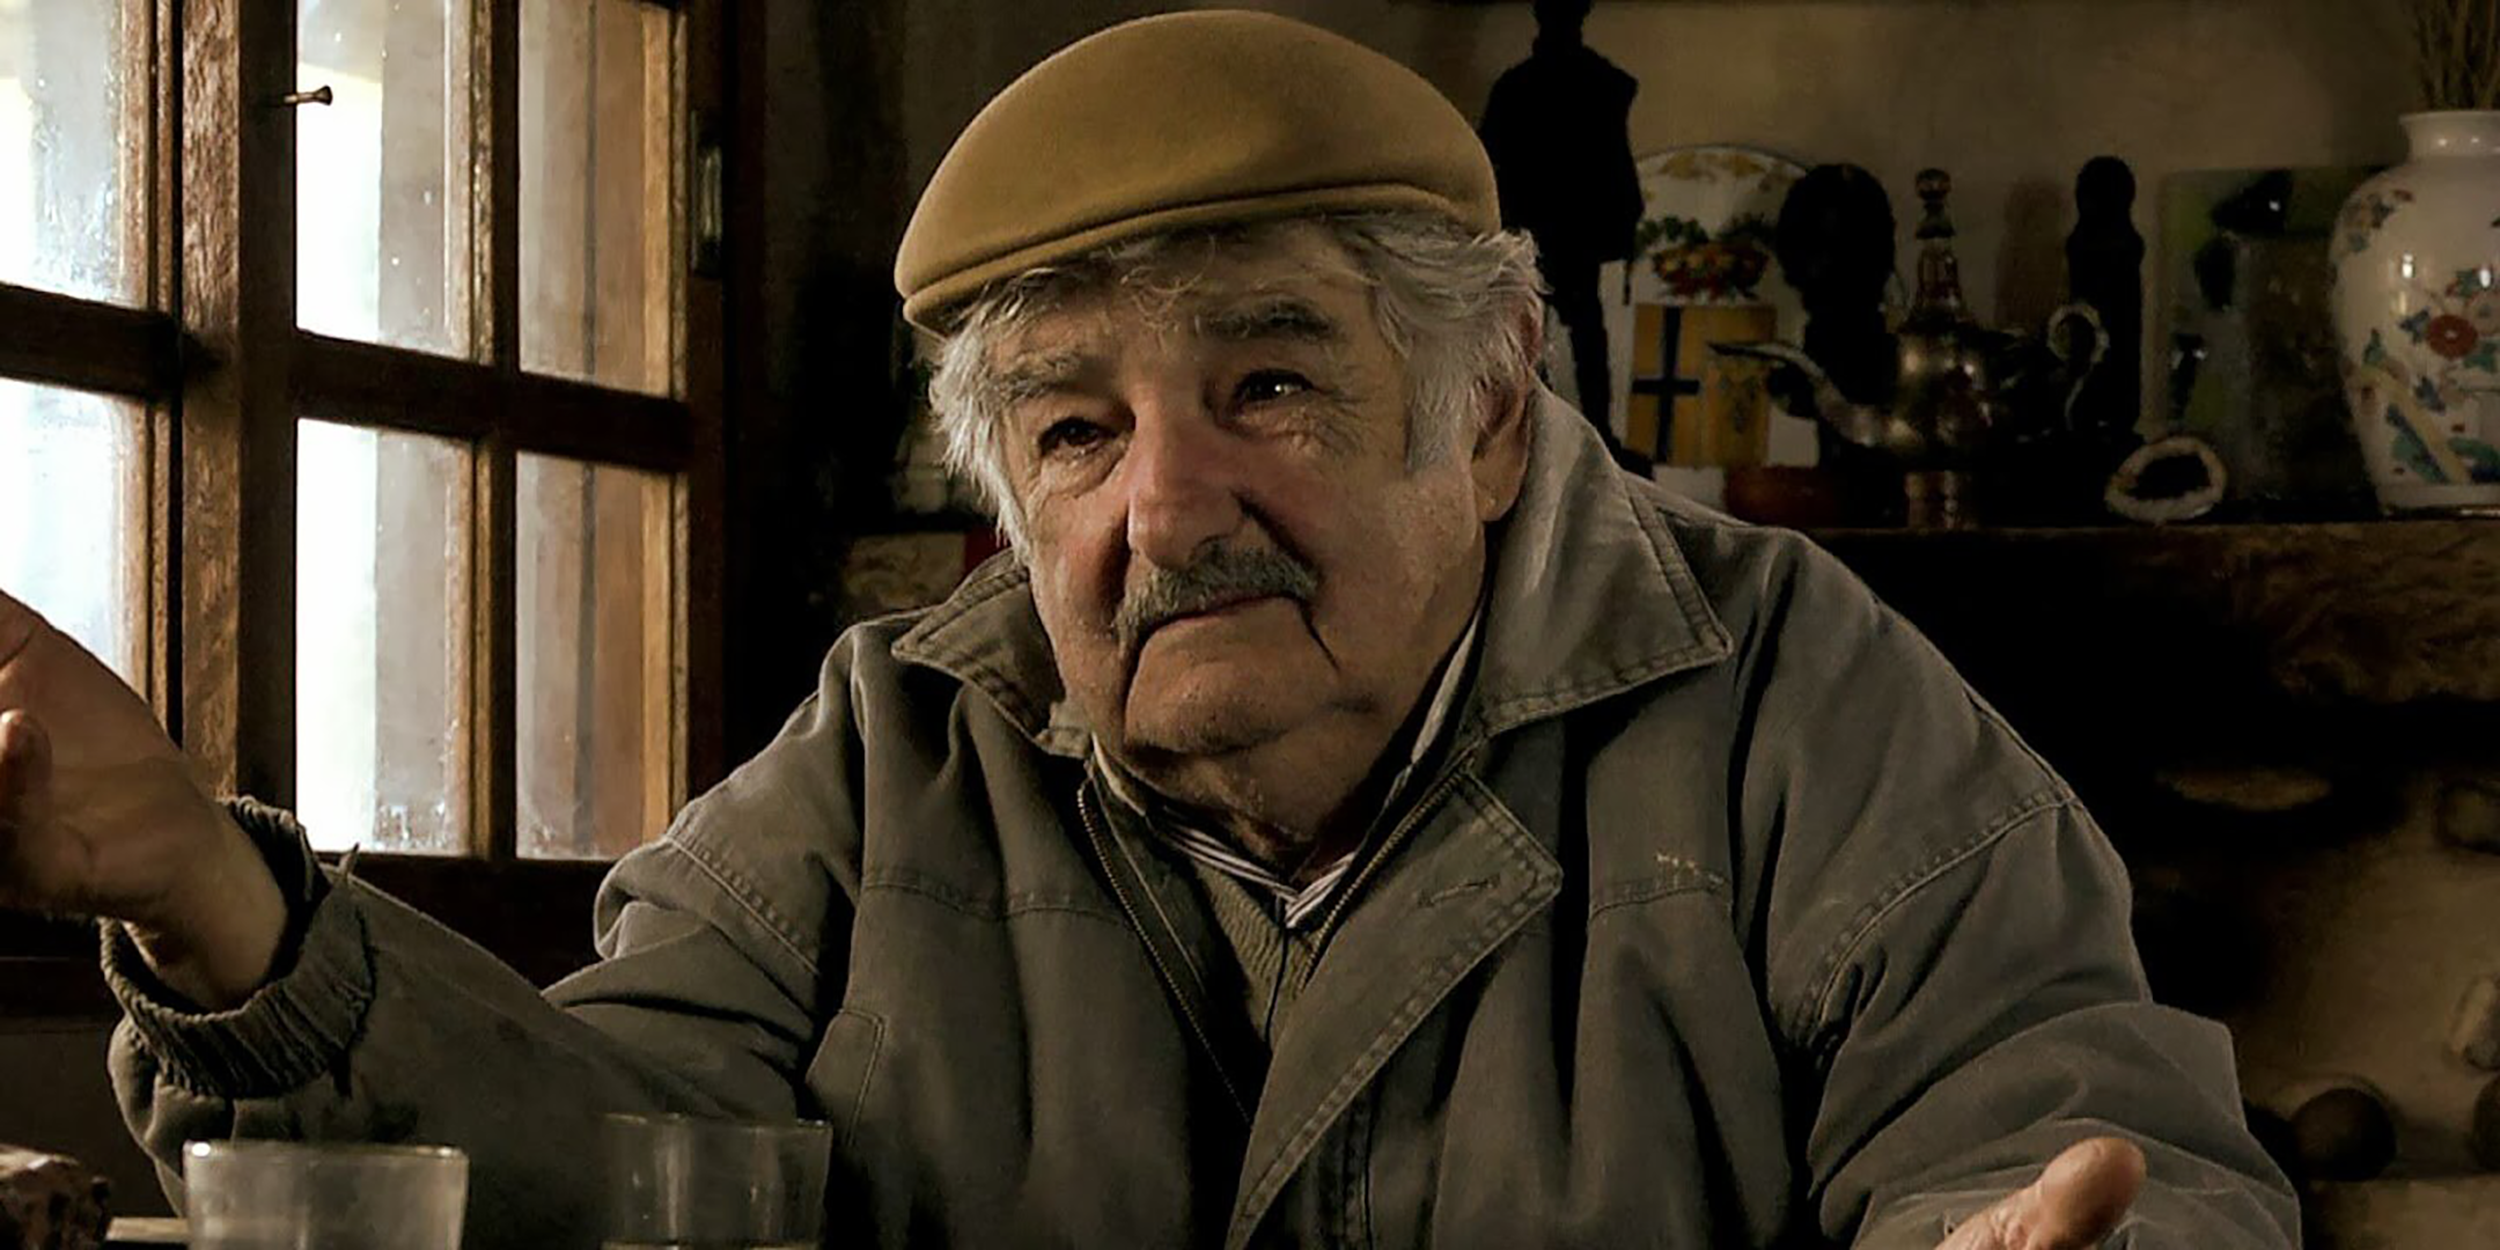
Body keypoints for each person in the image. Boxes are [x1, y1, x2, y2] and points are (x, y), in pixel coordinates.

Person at [0, 11, 2293, 1249]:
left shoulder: (1789, 682)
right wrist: (218, 898)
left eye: (1267, 385)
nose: (1167, 508)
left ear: (1490, 409)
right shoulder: (895, 747)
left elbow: (2059, 1120)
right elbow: (613, 1160)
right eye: (1076, 431)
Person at [1477, 0, 1646, 465]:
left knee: (1567, 331)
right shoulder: (1582, 84)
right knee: (1543, 332)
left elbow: (1612, 158)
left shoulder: (1534, 86)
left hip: (1561, 230)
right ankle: (1541, 430)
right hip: (1545, 230)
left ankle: (1577, 430)